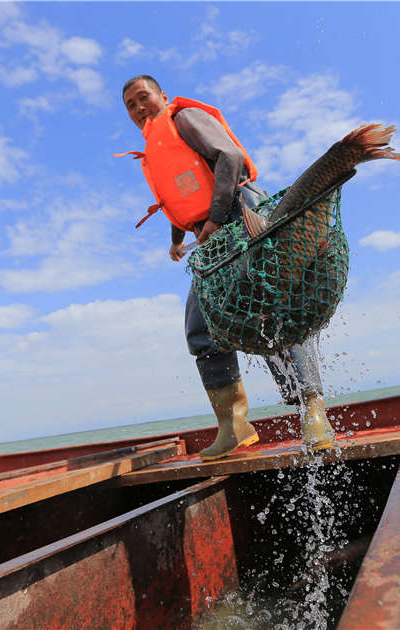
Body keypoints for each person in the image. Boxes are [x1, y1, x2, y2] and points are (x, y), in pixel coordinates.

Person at [121, 75, 335, 460]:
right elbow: (182, 194)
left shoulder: (183, 118)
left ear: (162, 96)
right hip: (212, 233)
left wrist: (216, 220)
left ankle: (313, 411)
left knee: (275, 308)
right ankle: (234, 427)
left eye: (143, 98)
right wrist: (176, 240)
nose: (138, 109)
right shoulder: (155, 146)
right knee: (201, 329)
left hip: (242, 216)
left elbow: (230, 158)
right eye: (130, 106)